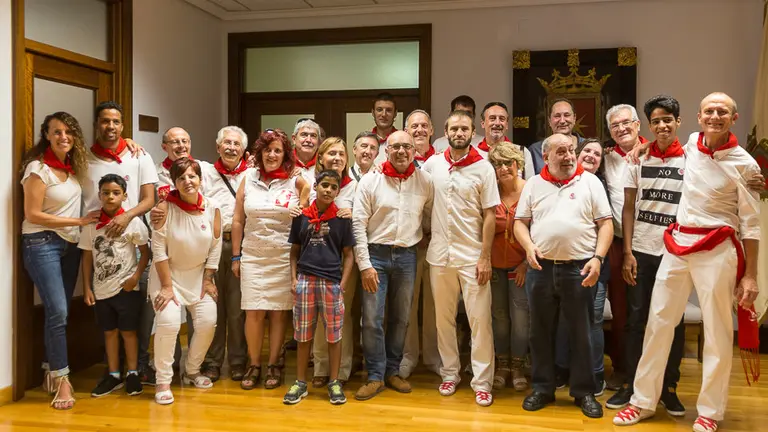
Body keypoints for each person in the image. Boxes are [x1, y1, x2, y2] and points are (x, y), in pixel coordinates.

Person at [613, 93, 761, 432]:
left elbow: (752, 225)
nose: (714, 116)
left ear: (733, 118)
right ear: (698, 117)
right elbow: (663, 141)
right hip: (677, 245)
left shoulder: (745, 164)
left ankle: (710, 411)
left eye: (722, 111)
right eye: (709, 111)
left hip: (718, 248)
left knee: (718, 331)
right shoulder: (693, 143)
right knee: (658, 322)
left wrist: (750, 275)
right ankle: (643, 401)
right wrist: (640, 146)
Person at [514, 133, 613, 419]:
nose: (569, 156)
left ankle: (584, 392)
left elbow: (605, 224)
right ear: (546, 157)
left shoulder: (590, 182)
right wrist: (529, 246)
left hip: (579, 268)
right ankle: (543, 388)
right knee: (540, 332)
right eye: (562, 151)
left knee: (581, 332)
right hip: (541, 268)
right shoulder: (534, 184)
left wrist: (598, 258)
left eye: (571, 150)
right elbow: (520, 223)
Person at [606, 95, 687, 414]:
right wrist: (627, 251)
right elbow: (627, 208)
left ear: (678, 122)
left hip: (677, 252)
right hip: (640, 250)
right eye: (657, 121)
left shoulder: (691, 157)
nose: (663, 125)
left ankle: (668, 386)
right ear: (649, 125)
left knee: (674, 320)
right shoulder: (636, 160)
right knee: (635, 319)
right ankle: (632, 384)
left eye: (668, 119)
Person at [21, 112, 99, 410]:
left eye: (68, 132)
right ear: (47, 135)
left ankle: (48, 372)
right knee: (60, 312)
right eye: (56, 132)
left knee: (58, 312)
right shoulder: (37, 169)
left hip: (69, 246)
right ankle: (63, 381)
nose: (63, 137)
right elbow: (32, 214)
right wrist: (78, 220)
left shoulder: (72, 167)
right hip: (41, 244)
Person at [422, 110, 498, 407]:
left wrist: (485, 257)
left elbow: (490, 214)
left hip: (472, 257)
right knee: (443, 320)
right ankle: (450, 373)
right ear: (445, 131)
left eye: (464, 128)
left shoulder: (484, 168)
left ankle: (482, 382)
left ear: (471, 133)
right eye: (454, 128)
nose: (459, 133)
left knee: (480, 321)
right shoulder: (432, 165)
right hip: (439, 256)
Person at [352, 131, 433, 401]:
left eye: (406, 147)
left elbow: (430, 213)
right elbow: (358, 224)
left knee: (401, 318)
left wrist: (422, 236)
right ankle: (374, 375)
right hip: (375, 255)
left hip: (407, 257)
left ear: (414, 151)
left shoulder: (425, 181)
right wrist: (364, 265)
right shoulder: (370, 180)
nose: (401, 151)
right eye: (395, 146)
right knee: (372, 319)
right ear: (386, 151)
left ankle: (392, 371)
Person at [82, 101, 158, 385]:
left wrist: (125, 217)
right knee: (107, 317)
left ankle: (136, 369)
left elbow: (149, 199)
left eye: (115, 122)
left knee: (135, 311)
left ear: (123, 126)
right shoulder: (84, 159)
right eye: (104, 121)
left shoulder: (139, 156)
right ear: (97, 124)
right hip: (96, 237)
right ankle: (113, 370)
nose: (110, 127)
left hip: (132, 237)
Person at [233, 129, 308, 390]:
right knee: (253, 311)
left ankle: (275, 362)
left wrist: (302, 180)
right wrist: (236, 256)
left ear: (286, 154)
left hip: (282, 257)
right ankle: (254, 364)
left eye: (278, 150)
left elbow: (308, 208)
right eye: (268, 150)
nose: (272, 155)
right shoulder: (247, 177)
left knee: (278, 314)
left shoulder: (295, 179)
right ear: (260, 152)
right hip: (252, 255)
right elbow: (238, 220)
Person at [149, 157, 222, 405]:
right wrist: (167, 287)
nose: (187, 181)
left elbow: (215, 245)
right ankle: (163, 380)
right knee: (168, 323)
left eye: (192, 176)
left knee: (207, 320)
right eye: (181, 178)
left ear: (200, 180)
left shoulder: (212, 207)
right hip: (166, 276)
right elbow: (158, 251)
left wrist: (209, 279)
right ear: (174, 182)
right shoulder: (164, 209)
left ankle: (192, 370)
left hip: (198, 276)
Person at [283, 170, 356, 405]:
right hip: (305, 280)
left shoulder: (342, 220)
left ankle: (334, 381)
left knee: (334, 336)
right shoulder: (302, 216)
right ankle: (301, 382)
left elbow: (349, 255)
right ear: (315, 186)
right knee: (303, 335)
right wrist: (294, 279)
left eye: (333, 187)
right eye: (324, 185)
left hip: (331, 282)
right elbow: (294, 251)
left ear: (337, 191)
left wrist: (342, 283)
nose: (328, 190)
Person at [80, 174, 150, 398]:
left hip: (126, 288)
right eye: (106, 193)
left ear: (124, 196)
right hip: (101, 290)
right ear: (99, 195)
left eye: (116, 193)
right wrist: (87, 287)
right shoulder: (92, 225)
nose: (110, 197)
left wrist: (135, 277)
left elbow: (145, 253)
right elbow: (87, 257)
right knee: (109, 332)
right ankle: (113, 374)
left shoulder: (133, 223)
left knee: (129, 332)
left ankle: (132, 373)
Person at [554, 138, 613, 394]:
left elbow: (606, 226)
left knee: (593, 321)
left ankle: (595, 373)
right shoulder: (559, 182)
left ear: (601, 162)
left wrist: (597, 259)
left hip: (595, 266)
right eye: (586, 151)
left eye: (597, 154)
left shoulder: (600, 186)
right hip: (564, 266)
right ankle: (563, 370)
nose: (590, 155)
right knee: (565, 321)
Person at [602, 104, 648, 388]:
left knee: (649, 306)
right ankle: (622, 367)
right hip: (618, 241)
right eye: (615, 126)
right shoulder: (607, 158)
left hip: (652, 240)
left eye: (626, 123)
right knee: (621, 308)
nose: (621, 129)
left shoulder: (653, 150)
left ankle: (652, 371)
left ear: (638, 124)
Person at [200, 126, 251, 382]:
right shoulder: (205, 173)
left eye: (236, 144)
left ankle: (239, 360)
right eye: (227, 143)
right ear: (218, 147)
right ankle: (212, 361)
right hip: (211, 245)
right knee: (213, 304)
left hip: (240, 246)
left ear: (244, 150)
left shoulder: (252, 175)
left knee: (237, 307)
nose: (231, 148)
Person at [311, 137, 358, 386]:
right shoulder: (309, 183)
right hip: (315, 255)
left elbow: (364, 217)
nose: (337, 158)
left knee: (341, 313)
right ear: (321, 157)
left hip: (343, 257)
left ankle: (340, 370)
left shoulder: (354, 186)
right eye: (332, 154)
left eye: (341, 154)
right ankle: (320, 366)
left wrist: (354, 213)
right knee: (319, 314)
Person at [400, 110, 441, 378]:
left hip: (437, 241)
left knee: (436, 303)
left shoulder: (441, 162)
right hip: (410, 243)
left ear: (432, 130)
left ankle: (434, 356)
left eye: (424, 125)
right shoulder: (397, 160)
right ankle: (408, 355)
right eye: (413, 126)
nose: (419, 130)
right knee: (408, 302)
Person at [487, 142, 528, 392]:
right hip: (494, 267)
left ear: (518, 164)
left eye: (507, 163)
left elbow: (540, 231)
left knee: (521, 319)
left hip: (521, 266)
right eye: (498, 164)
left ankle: (518, 366)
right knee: (499, 318)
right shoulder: (490, 193)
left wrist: (525, 264)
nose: (503, 168)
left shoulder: (530, 190)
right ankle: (501, 365)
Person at [475, 102, 535, 179]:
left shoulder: (522, 152)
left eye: (502, 119)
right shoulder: (473, 154)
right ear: (483, 123)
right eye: (492, 118)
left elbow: (530, 186)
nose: (497, 123)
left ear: (507, 125)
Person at [529, 98, 585, 175]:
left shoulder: (588, 147)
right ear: (549, 121)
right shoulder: (535, 150)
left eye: (567, 115)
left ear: (574, 118)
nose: (562, 121)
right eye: (557, 116)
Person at [292, 119, 322, 184]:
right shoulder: (284, 162)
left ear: (319, 142)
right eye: (304, 135)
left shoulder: (324, 164)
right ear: (294, 139)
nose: (308, 140)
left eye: (313, 136)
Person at [372, 92, 398, 161]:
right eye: (379, 110)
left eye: (389, 110)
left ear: (395, 114)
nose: (384, 114)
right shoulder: (366, 141)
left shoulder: (403, 141)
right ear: (373, 112)